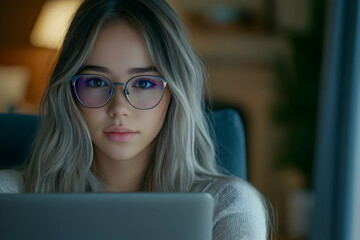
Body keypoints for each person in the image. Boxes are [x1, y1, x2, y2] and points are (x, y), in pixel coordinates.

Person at [0, 0, 271, 239]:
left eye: (143, 83)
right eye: (95, 81)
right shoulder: (7, 198)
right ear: (68, 92)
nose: (119, 108)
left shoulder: (229, 208)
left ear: (175, 93)